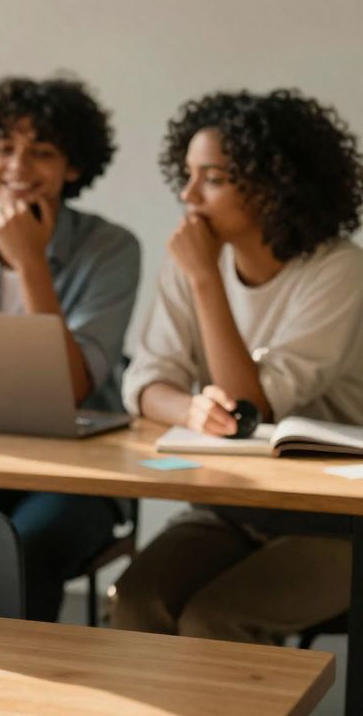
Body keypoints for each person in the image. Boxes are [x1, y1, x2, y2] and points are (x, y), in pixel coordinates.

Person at [112, 89, 363, 644]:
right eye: (187, 174)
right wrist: (193, 409)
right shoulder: (195, 256)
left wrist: (205, 279)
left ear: (276, 185)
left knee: (214, 621)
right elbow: (146, 381)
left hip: (337, 521)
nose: (188, 195)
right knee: (135, 601)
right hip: (233, 507)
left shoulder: (339, 269)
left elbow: (254, 406)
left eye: (213, 178)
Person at [0, 76, 140, 622]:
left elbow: (73, 386)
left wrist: (31, 260)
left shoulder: (112, 248)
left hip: (84, 473)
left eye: (43, 152)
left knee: (27, 544)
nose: (19, 165)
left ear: (74, 167)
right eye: (4, 147)